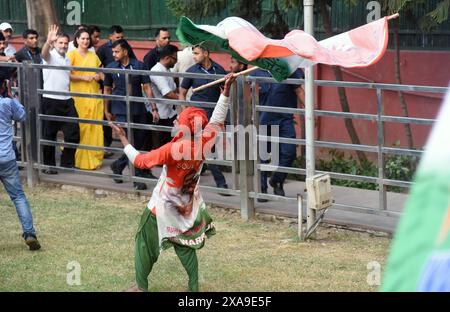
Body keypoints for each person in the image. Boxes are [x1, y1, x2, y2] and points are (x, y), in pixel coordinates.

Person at [110, 73, 237, 292]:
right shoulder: (204, 143)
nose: (176, 121)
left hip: (161, 208)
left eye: (180, 119)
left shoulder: (172, 149)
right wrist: (226, 92)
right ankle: (193, 289)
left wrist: (123, 140)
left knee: (143, 243)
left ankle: (139, 288)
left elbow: (141, 162)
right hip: (186, 210)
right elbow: (217, 120)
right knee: (185, 248)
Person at [104, 39, 158, 190]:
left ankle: (118, 165)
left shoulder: (139, 65)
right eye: (113, 52)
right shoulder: (111, 67)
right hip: (120, 109)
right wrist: (106, 110)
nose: (114, 54)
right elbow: (107, 90)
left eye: (117, 51)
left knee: (138, 142)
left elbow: (147, 87)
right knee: (129, 141)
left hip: (138, 108)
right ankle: (137, 178)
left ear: (125, 52)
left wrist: (154, 108)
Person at [179, 44, 229, 191]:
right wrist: (184, 112)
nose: (193, 56)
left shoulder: (219, 70)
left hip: (213, 116)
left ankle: (190, 180)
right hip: (195, 115)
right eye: (193, 53)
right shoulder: (191, 71)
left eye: (196, 53)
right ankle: (220, 181)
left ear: (206, 53)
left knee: (207, 148)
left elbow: (225, 93)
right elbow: (182, 92)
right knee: (201, 148)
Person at [0, 73, 41, 251]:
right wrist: (11, 96)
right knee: (18, 196)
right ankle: (29, 233)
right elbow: (23, 116)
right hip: (6, 157)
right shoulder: (8, 103)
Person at [250, 68, 305, 201]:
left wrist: (313, 112)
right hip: (263, 119)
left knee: (289, 152)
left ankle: (277, 180)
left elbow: (299, 91)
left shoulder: (289, 69)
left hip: (285, 120)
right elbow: (249, 95)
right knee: (263, 156)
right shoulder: (257, 72)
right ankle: (261, 188)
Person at [41, 25, 80, 174]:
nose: (63, 45)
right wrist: (48, 41)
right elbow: (44, 54)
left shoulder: (67, 59)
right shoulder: (50, 56)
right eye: (60, 43)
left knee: (74, 133)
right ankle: (49, 166)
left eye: (65, 43)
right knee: (49, 135)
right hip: (51, 100)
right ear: (55, 44)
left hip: (67, 100)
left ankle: (66, 163)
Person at [67, 28, 104, 170]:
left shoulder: (94, 56)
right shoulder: (71, 55)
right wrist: (84, 77)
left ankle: (93, 158)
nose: (85, 41)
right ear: (77, 40)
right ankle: (77, 158)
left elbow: (102, 72)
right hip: (78, 96)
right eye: (82, 38)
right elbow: (68, 75)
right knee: (81, 126)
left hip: (94, 94)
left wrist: (99, 76)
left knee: (94, 126)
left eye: (87, 39)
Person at [150, 44, 179, 147]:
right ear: (167, 58)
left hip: (170, 113)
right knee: (162, 145)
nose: (176, 62)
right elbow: (167, 93)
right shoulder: (157, 70)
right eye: (175, 59)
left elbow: (174, 88)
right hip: (161, 115)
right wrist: (184, 100)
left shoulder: (167, 70)